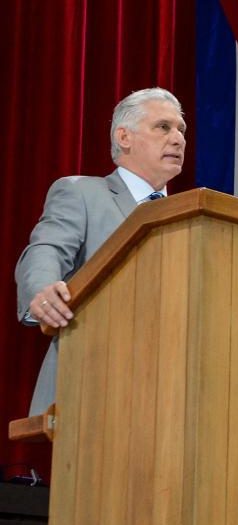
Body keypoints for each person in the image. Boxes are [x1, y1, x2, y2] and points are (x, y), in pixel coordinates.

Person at [16, 87, 187, 415]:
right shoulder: (83, 193)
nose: (178, 139)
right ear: (124, 136)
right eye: (163, 127)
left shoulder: (191, 215)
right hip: (94, 381)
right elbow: (47, 249)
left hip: (173, 390)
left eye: (181, 130)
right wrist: (42, 289)